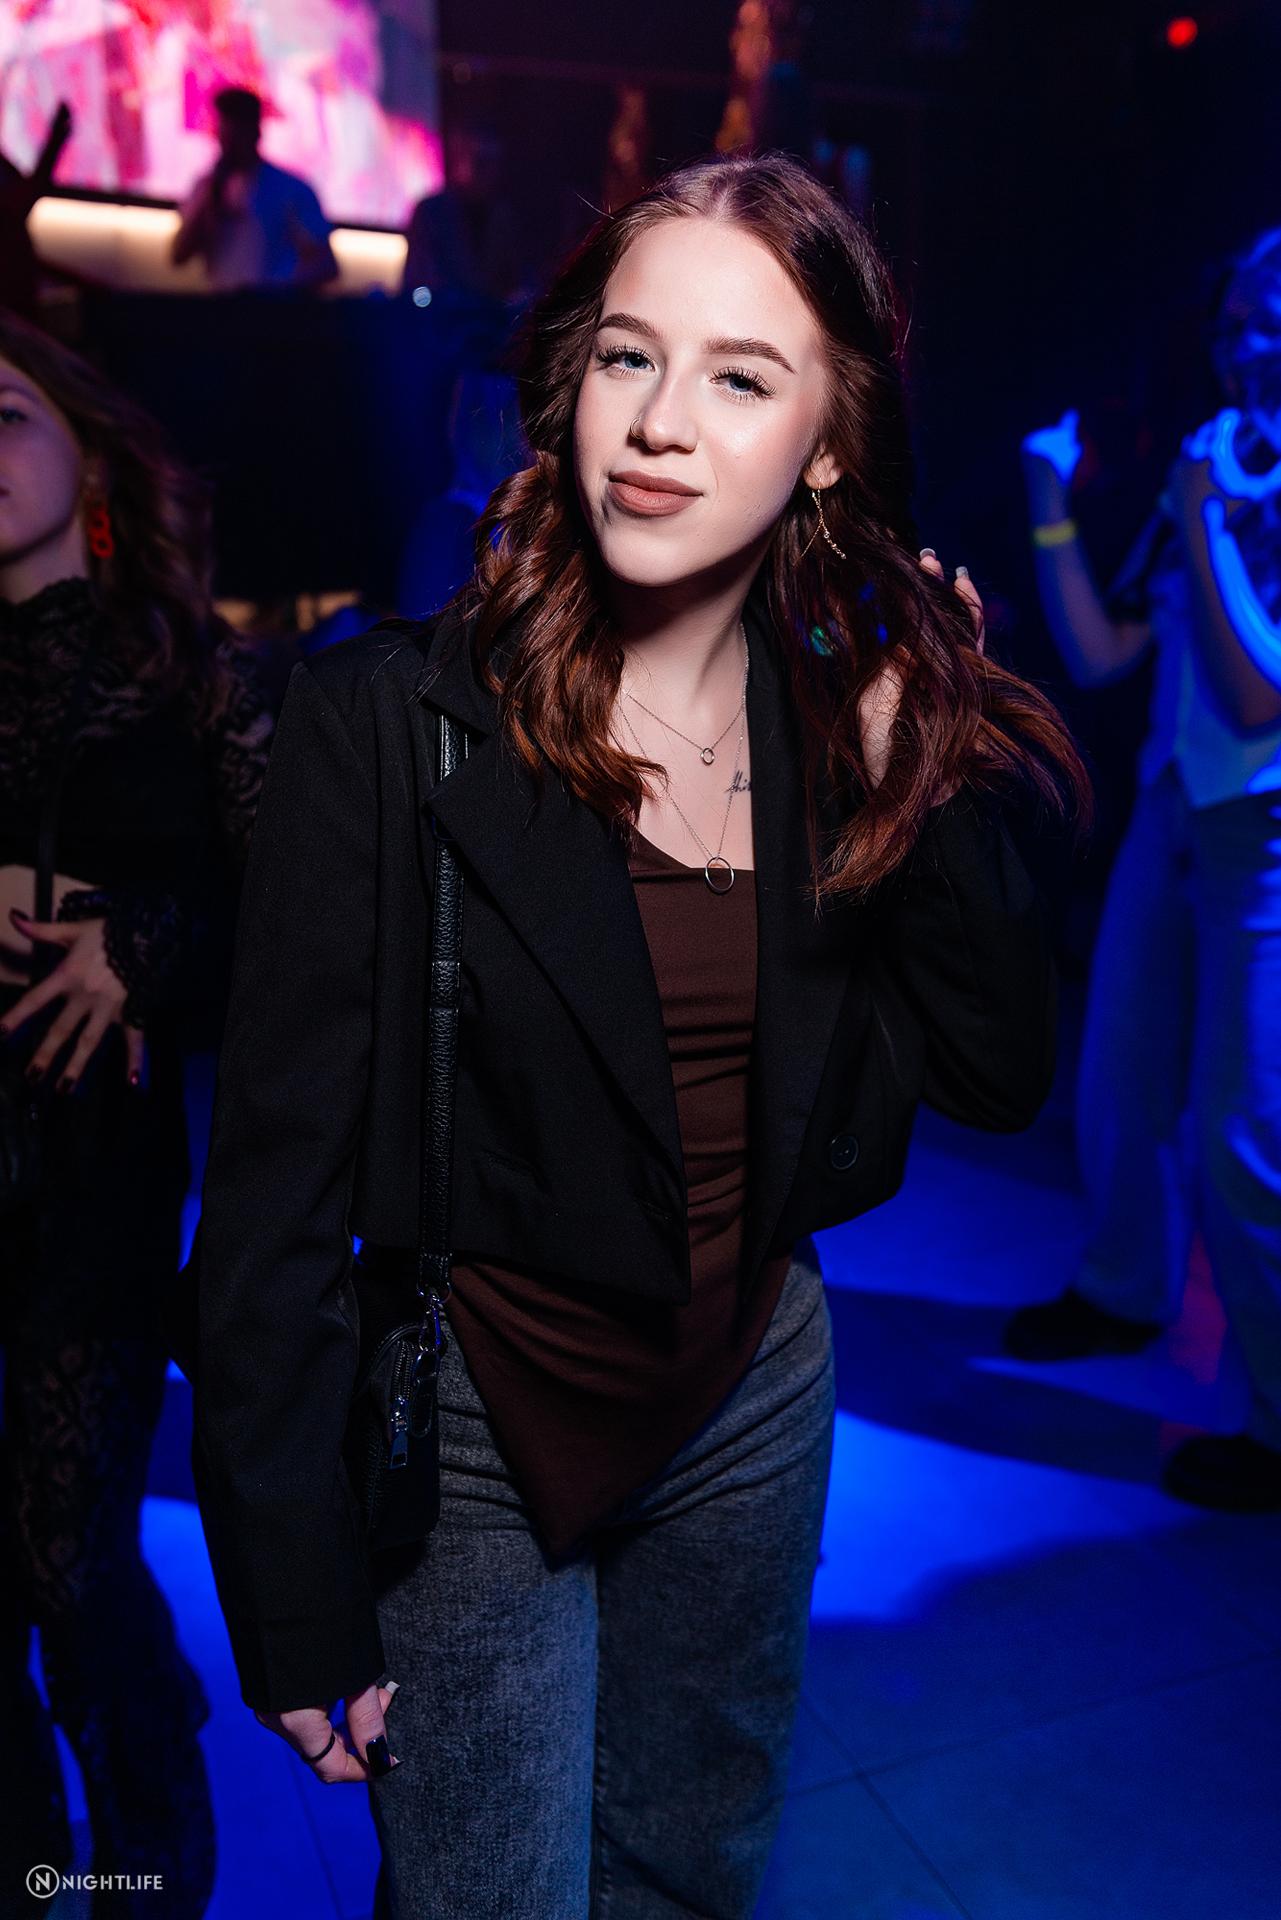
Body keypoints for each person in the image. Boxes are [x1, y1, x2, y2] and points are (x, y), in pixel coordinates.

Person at [190, 151, 1089, 1917]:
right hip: (478, 1413)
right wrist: (291, 1586)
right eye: (628, 355)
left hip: (754, 1387)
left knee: (686, 1872)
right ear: (571, 377)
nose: (661, 423)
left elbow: (999, 1075)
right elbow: (272, 1202)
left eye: (741, 378)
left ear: (825, 445)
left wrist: (923, 768)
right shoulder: (386, 721)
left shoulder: (840, 724)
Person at [0, 312, 273, 1912]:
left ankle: (149, 1852)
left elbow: (299, 917)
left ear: (93, 460)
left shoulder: (191, 676)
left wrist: (142, 944)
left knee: (68, 1559)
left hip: (91, 1182)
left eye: (7, 415)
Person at [1006, 226, 1281, 1512]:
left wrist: (1208, 516)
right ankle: (1123, 1290)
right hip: (1177, 807)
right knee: (1116, 1077)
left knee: (1243, 1134)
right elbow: (1105, 653)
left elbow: (1258, 691)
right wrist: (1053, 504)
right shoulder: (1224, 463)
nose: (1244, 347)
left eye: (1269, 323)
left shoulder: (1219, 484)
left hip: (1265, 835)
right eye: (1235, 324)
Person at [171, 86, 338, 294]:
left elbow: (326, 265)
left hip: (272, 310)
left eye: (236, 134)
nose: (229, 144)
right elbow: (178, 255)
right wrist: (208, 200)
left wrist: (277, 290)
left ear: (256, 132)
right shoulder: (206, 187)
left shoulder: (290, 189)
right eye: (224, 135)